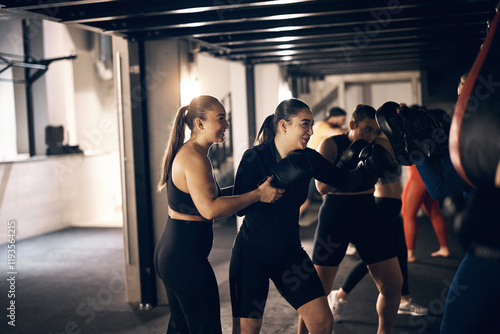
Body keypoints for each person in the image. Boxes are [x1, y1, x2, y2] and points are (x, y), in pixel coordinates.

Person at [229, 99, 365, 334]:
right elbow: (238, 207)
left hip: (289, 254)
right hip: (252, 254)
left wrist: (368, 162)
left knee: (322, 321)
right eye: (305, 124)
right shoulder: (255, 157)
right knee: (247, 331)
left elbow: (344, 180)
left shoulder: (308, 158)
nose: (311, 131)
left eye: (312, 125)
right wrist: (259, 195)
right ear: (283, 125)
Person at [153, 95, 284, 334]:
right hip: (185, 260)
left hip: (174, 254)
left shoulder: (192, 152)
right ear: (200, 124)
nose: (226, 125)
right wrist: (257, 195)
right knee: (206, 329)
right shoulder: (194, 158)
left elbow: (203, 197)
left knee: (181, 329)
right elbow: (210, 209)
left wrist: (252, 188)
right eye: (220, 119)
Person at [303, 104, 403, 334]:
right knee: (319, 291)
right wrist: (346, 164)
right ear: (352, 125)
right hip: (336, 214)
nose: (371, 136)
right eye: (367, 130)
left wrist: (399, 125)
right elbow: (321, 187)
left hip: (367, 212)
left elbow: (404, 152)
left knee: (393, 284)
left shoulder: (378, 145)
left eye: (375, 131)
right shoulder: (331, 144)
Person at [328, 135, 428, 322]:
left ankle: (404, 300)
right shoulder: (378, 146)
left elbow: (410, 158)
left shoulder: (398, 144)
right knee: (375, 258)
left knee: (400, 252)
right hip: (382, 207)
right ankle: (340, 295)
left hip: (393, 208)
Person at [300, 107, 347, 216]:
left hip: (320, 166)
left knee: (328, 195)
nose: (343, 122)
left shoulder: (325, 126)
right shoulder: (322, 126)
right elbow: (338, 133)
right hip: (312, 167)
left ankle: (332, 218)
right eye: (342, 119)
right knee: (305, 200)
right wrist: (356, 130)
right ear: (334, 118)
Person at [401, 163, 450, 262]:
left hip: (417, 175)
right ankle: (444, 248)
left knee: (407, 214)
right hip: (430, 176)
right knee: (434, 213)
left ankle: (410, 254)